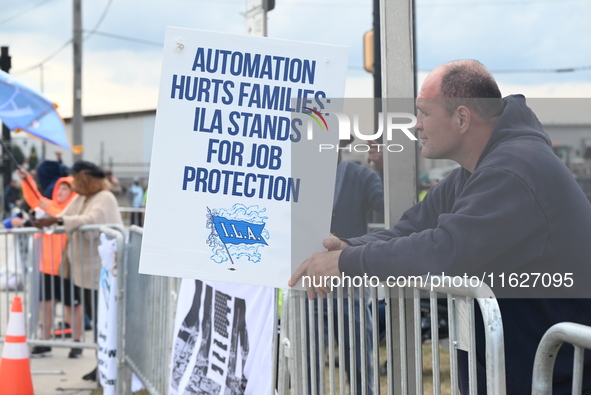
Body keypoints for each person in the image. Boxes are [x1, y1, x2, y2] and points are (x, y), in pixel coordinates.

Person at [289, 60, 591, 394]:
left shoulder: (513, 170)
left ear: (462, 118)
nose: (415, 126)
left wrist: (344, 264)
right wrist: (346, 247)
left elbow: (444, 251)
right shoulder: (477, 171)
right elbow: (411, 228)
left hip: (558, 380)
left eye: (424, 113)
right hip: (530, 373)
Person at [33, 160, 123, 381]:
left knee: (106, 321)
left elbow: (91, 221)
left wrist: (59, 219)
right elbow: (65, 214)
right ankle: (101, 364)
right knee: (98, 319)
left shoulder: (104, 198)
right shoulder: (83, 198)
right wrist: (50, 219)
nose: (72, 182)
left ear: (85, 178)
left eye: (75, 177)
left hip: (100, 273)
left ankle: (108, 367)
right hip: (84, 273)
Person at [307, 136, 383, 394]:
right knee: (308, 360)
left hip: (352, 287)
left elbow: (387, 207)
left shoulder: (363, 176)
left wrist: (385, 169)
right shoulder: (303, 178)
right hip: (311, 287)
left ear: (341, 141)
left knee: (360, 359)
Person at [17, 167, 81, 357]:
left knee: (72, 305)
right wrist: (26, 178)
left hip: (69, 266)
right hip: (47, 265)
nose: (60, 192)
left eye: (65, 189)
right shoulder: (49, 205)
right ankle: (45, 342)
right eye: (59, 189)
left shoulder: (73, 209)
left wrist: (47, 207)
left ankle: (77, 343)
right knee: (46, 304)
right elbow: (34, 198)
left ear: (72, 192)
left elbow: (56, 213)